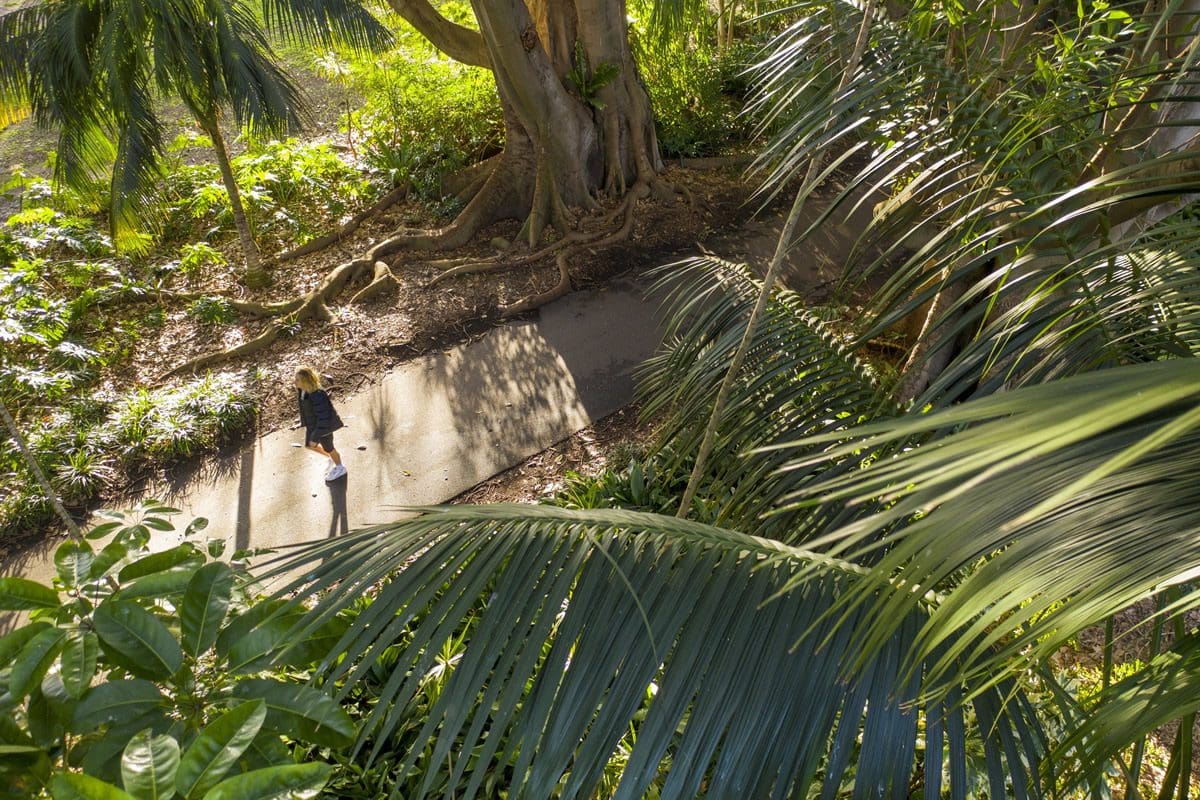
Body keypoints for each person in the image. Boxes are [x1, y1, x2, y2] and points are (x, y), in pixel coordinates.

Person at [295, 366, 346, 481]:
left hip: (323, 428)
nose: (295, 382)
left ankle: (340, 467)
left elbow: (324, 418)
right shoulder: (303, 391)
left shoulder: (317, 395)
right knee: (309, 445)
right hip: (313, 426)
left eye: (297, 380)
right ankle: (332, 458)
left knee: (329, 448)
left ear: (305, 381)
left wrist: (316, 435)